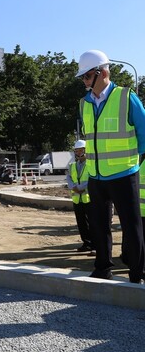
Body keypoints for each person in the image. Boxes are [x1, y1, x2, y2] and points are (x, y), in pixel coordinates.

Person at [77, 49, 145, 283]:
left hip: (124, 173)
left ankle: (136, 273)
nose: (84, 82)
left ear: (102, 72)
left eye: (87, 76)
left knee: (131, 225)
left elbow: (143, 131)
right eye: (83, 78)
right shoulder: (84, 103)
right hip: (96, 175)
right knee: (99, 225)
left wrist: (139, 161)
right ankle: (103, 268)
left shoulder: (126, 96)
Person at [66, 139, 93, 253]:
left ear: (85, 150)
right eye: (76, 151)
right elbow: (69, 178)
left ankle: (94, 244)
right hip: (77, 199)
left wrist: (81, 188)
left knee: (92, 223)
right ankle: (86, 243)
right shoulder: (72, 165)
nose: (77, 153)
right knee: (81, 223)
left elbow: (91, 178)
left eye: (80, 150)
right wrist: (73, 187)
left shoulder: (90, 164)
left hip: (88, 198)